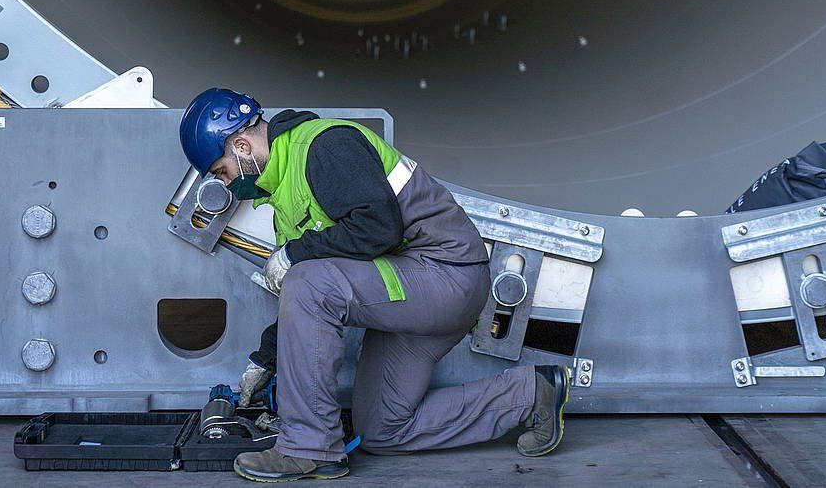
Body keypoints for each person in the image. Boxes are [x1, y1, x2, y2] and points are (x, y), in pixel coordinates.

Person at [179, 88, 570, 482]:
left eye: (222, 172)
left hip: (446, 274)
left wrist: (295, 254)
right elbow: (307, 298)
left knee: (307, 278)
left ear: (241, 145)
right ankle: (529, 395)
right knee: (382, 428)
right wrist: (263, 359)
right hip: (407, 294)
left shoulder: (323, 145)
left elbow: (376, 229)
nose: (227, 185)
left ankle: (308, 448)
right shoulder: (283, 195)